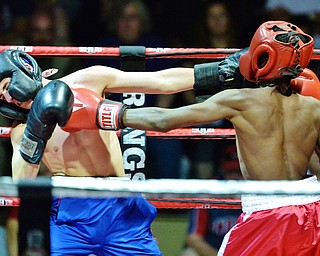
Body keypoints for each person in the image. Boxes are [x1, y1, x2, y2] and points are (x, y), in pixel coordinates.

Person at [0, 20, 316, 255]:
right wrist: (36, 131)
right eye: (3, 96)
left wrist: (216, 71)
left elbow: (162, 81)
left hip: (117, 204)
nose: (10, 97)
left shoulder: (85, 81)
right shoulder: (20, 130)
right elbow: (23, 184)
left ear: (24, 69)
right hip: (67, 212)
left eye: (6, 86)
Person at [106, 21, 320, 254]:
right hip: (311, 211)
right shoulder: (313, 108)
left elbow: (162, 121)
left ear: (262, 54)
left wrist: (108, 113)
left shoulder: (240, 100)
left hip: (267, 213)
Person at [181, 143, 243, 256]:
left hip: (245, 251)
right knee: (189, 254)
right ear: (223, 171)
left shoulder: (257, 193)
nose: (235, 178)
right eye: (231, 172)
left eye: (239, 173)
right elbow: (193, 238)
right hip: (213, 251)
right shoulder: (209, 191)